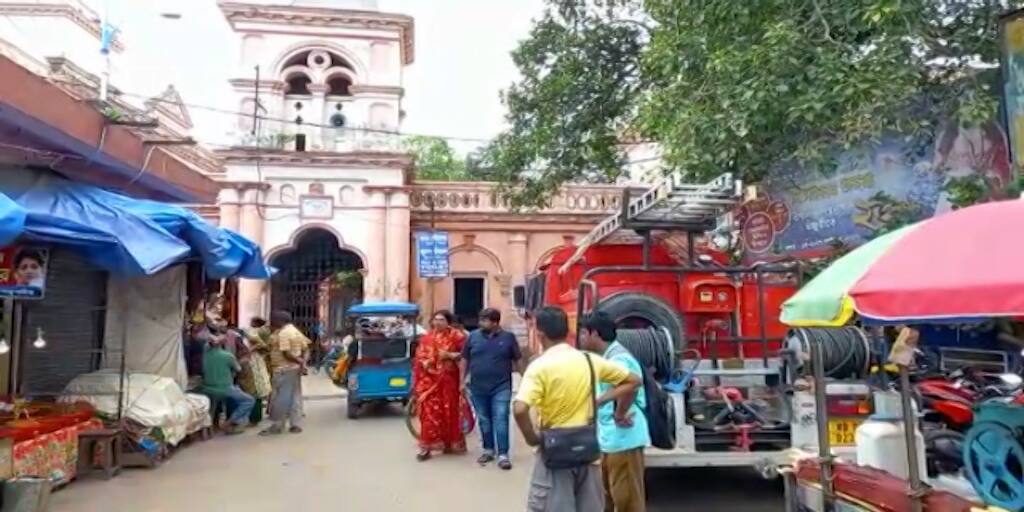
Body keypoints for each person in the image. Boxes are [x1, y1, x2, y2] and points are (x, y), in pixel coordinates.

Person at [513, 306, 642, 512]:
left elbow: (520, 409)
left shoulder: (539, 366)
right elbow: (634, 381)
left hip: (555, 451)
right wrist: (604, 403)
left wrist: (532, 438)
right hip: (587, 449)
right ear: (567, 331)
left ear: (540, 334)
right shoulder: (590, 360)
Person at [580, 311, 650, 512]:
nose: (582, 339)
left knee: (626, 500)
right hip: (611, 438)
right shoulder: (608, 356)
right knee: (610, 496)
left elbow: (631, 386)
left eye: (584, 333)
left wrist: (618, 413)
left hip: (623, 439)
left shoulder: (619, 359)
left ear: (595, 334)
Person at [459, 308, 522, 470]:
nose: (481, 323)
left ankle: (503, 454)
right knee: (484, 420)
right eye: (481, 320)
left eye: (484, 320)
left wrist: (525, 382)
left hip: (501, 386)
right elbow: (465, 359)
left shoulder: (508, 338)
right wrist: (461, 381)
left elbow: (518, 361)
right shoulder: (473, 337)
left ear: (495, 322)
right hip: (478, 386)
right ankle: (488, 450)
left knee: (501, 418)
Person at [413, 309, 467, 461]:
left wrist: (449, 355)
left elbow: (465, 356)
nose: (438, 322)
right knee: (429, 414)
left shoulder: (457, 336)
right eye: (435, 319)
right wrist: (426, 362)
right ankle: (425, 448)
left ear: (448, 322)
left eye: (441, 320)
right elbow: (419, 357)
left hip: (449, 380)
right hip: (429, 383)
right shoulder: (427, 338)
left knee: (449, 412)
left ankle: (450, 443)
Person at [260, 311, 309, 436]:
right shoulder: (295, 331)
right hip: (294, 369)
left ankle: (277, 425)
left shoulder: (283, 333)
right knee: (295, 396)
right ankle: (295, 424)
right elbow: (306, 348)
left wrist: (300, 362)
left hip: (283, 369)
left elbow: (286, 353)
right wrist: (303, 363)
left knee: (281, 397)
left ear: (279, 321)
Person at [201, 336, 255, 435]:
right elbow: (238, 369)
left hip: (207, 388)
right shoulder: (227, 356)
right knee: (249, 400)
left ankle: (215, 425)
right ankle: (230, 422)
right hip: (224, 388)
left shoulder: (205, 355)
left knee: (218, 402)